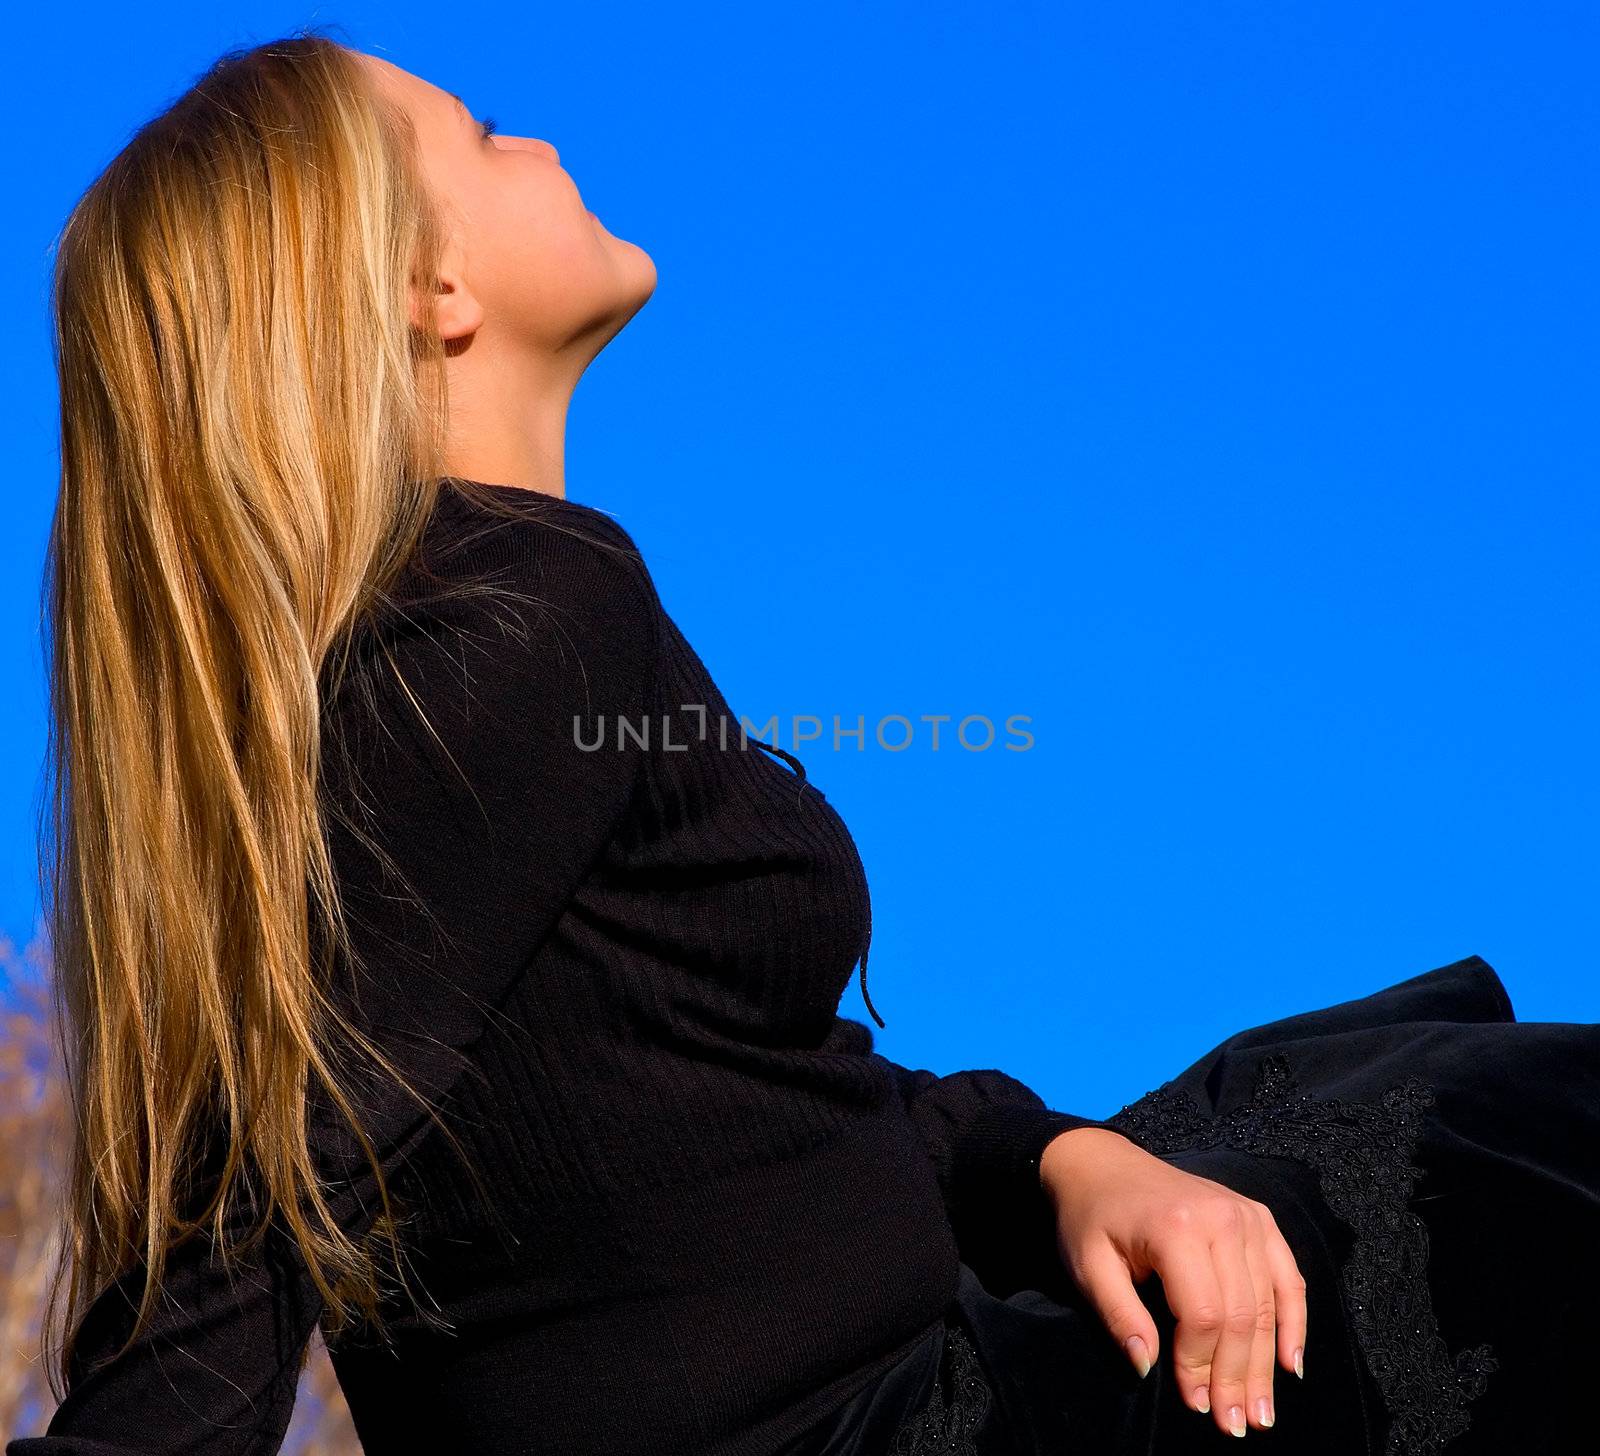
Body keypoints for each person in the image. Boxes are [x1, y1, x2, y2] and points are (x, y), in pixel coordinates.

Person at [11, 30, 1598, 1456]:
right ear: (433, 293)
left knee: (1387, 1107)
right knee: (1501, 1158)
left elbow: (732, 1103)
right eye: (485, 133)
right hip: (885, 1423)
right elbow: (259, 1192)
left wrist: (1061, 1162)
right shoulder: (513, 624)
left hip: (905, 1370)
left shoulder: (459, 646)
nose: (542, 142)